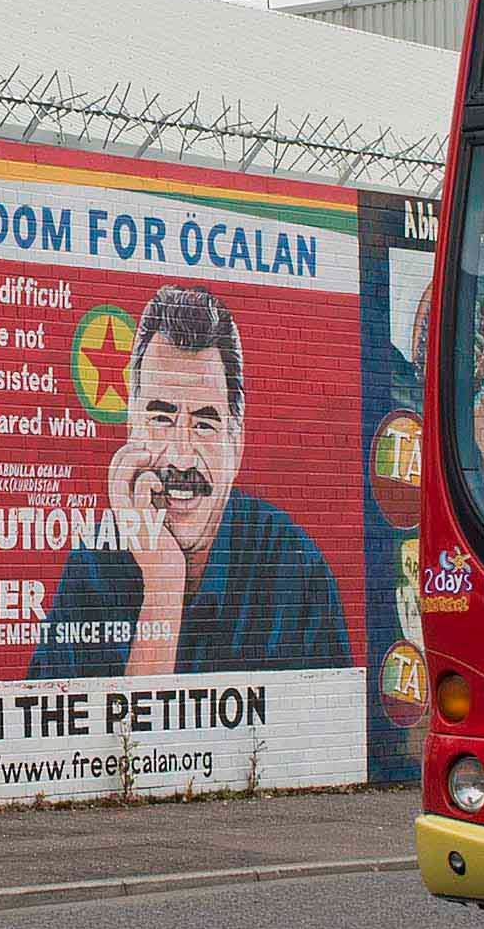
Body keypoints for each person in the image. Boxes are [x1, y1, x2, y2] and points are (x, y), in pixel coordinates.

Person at [29, 285, 349, 681]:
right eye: (161, 419)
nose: (180, 457)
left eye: (204, 423)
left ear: (237, 442)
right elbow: (83, 740)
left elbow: (326, 733)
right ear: (133, 428)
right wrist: (163, 584)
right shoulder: (95, 565)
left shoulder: (294, 571)